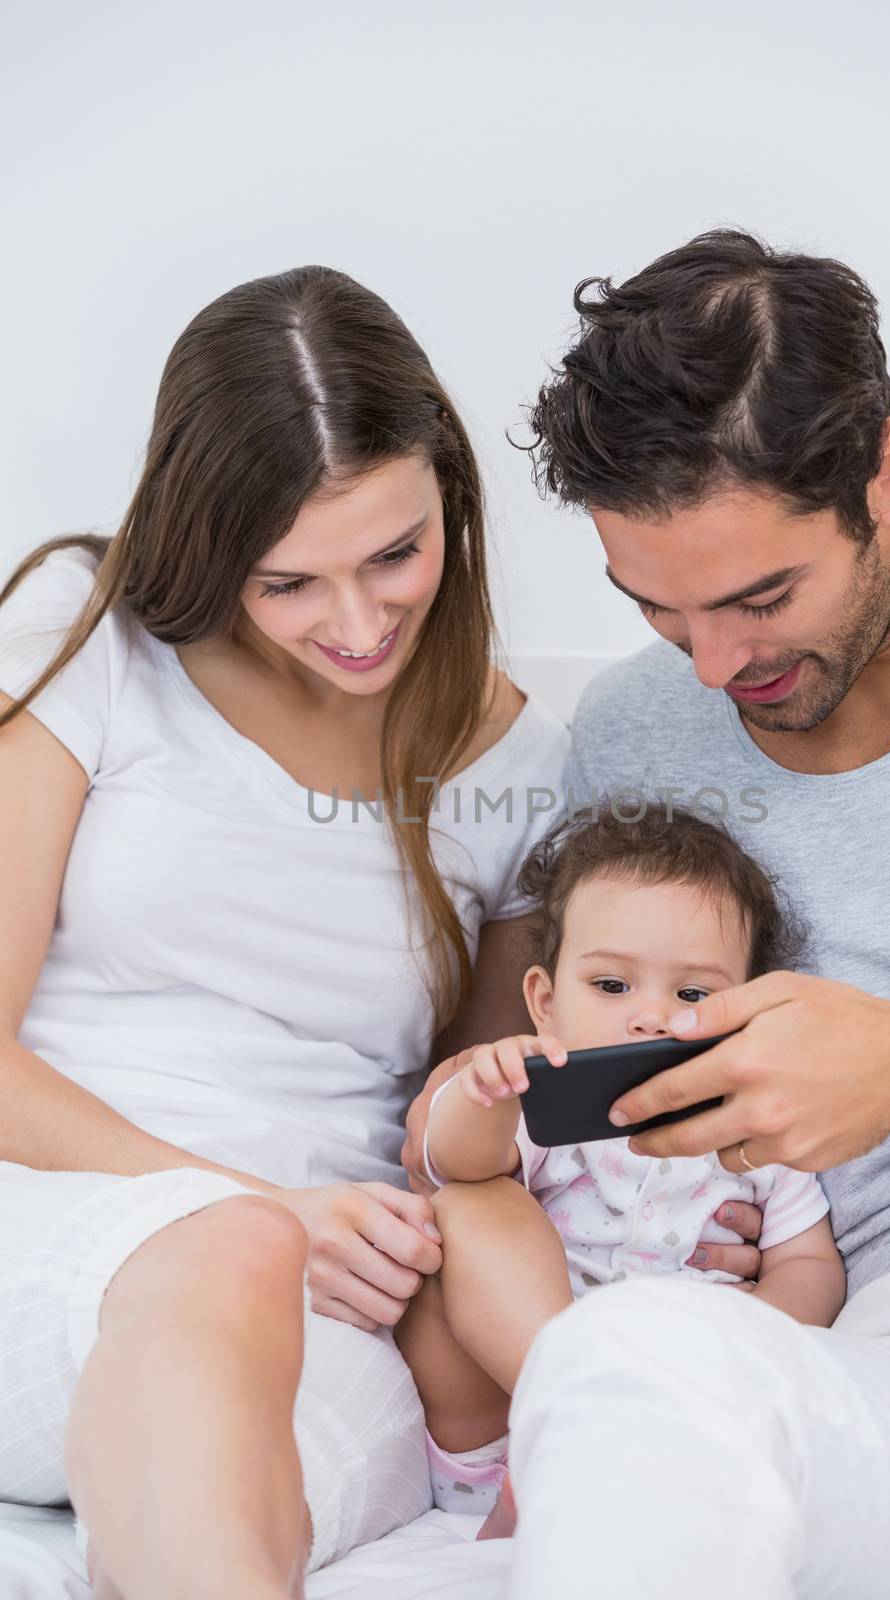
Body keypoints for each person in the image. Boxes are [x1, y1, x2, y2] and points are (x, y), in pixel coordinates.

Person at [403, 230, 890, 1597]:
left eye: (760, 598)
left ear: (885, 468)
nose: (711, 667)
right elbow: (500, 1098)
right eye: (653, 608)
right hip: (841, 1367)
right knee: (634, 1366)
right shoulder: (631, 733)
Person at [0, 264, 587, 1600]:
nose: (360, 623)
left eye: (395, 554)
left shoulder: (516, 764)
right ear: (212, 550)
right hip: (44, 1227)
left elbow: (474, 1137)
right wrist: (247, 1209)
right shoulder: (84, 638)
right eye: (289, 584)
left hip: (337, 1302)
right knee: (229, 1252)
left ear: (451, 495)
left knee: (229, 1488)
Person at [394, 803, 845, 1542]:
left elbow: (807, 1261)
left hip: (675, 1406)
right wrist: (485, 1090)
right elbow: (452, 1162)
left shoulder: (751, 1128)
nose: (647, 1017)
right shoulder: (539, 1105)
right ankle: (577, 1407)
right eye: (611, 986)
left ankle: (607, 1437)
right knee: (471, 1205)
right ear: (544, 1002)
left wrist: (749, 1338)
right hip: (501, 1415)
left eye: (692, 995)